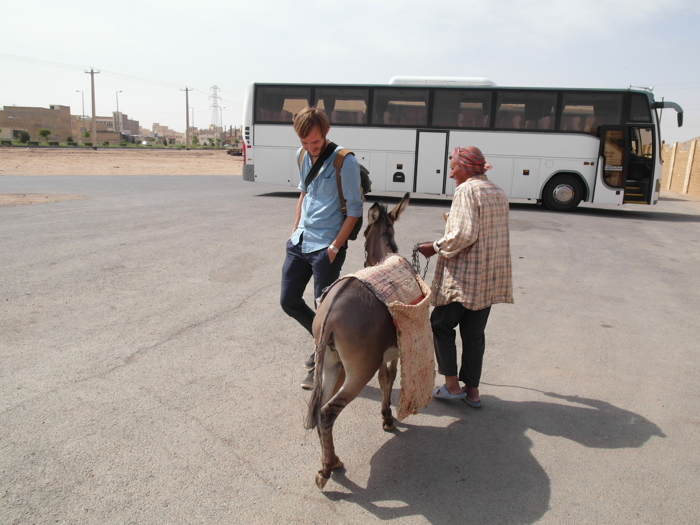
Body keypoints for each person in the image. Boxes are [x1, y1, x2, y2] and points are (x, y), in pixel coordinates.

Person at [417, 146, 513, 407]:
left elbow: (463, 235)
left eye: (453, 168)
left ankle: (451, 386)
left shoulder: (467, 190)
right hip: (489, 277)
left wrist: (434, 247)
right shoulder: (496, 190)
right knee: (474, 334)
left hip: (464, 277)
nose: (451, 175)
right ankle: (472, 392)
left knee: (440, 324)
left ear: (467, 168)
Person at [280, 107, 363, 389]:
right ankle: (325, 344)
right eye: (304, 143)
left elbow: (353, 210)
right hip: (301, 240)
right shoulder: (301, 155)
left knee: (324, 309)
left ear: (325, 133)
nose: (310, 148)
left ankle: (323, 361)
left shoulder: (344, 161)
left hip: (326, 245)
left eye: (315, 143)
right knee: (288, 301)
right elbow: (304, 191)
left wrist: (335, 247)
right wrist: (294, 229)